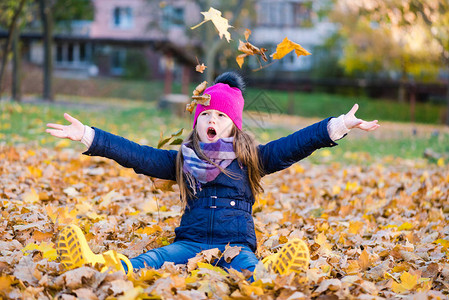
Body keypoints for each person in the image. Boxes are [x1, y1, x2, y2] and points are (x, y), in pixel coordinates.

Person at [46, 72, 379, 278]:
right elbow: (139, 156)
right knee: (153, 260)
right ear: (198, 122)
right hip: (190, 243)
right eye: (207, 113)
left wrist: (338, 126)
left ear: (233, 123)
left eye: (221, 115)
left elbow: (295, 145)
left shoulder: (252, 159)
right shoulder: (184, 159)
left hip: (235, 246)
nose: (213, 120)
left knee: (251, 270)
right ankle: (95, 263)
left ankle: (274, 272)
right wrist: (90, 136)